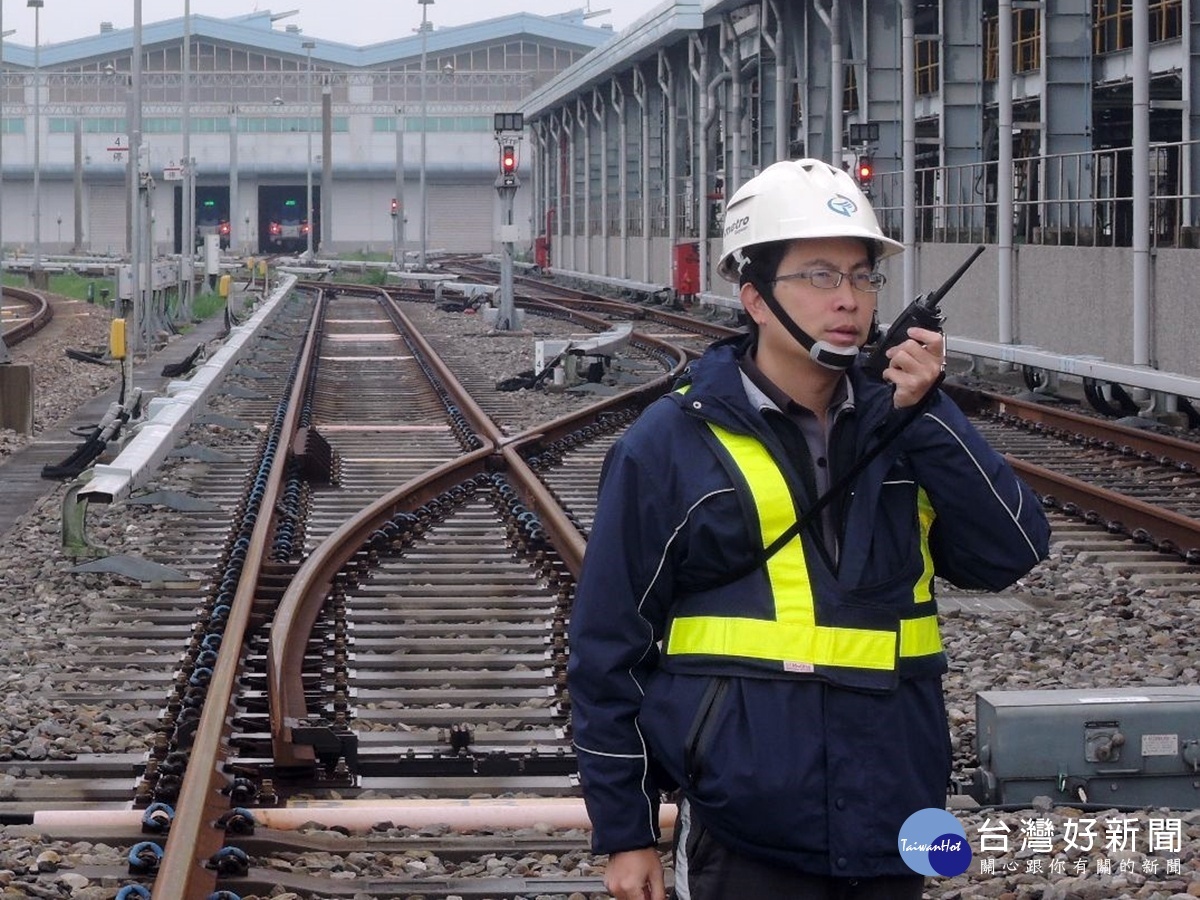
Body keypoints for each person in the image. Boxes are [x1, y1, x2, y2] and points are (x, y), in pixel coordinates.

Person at [567, 158, 1051, 900]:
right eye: (820, 276)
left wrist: (928, 414)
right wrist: (627, 831)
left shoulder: (908, 427)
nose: (849, 300)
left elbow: (1010, 553)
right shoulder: (668, 445)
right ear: (755, 296)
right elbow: (607, 647)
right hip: (748, 821)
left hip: (894, 808)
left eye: (863, 277)